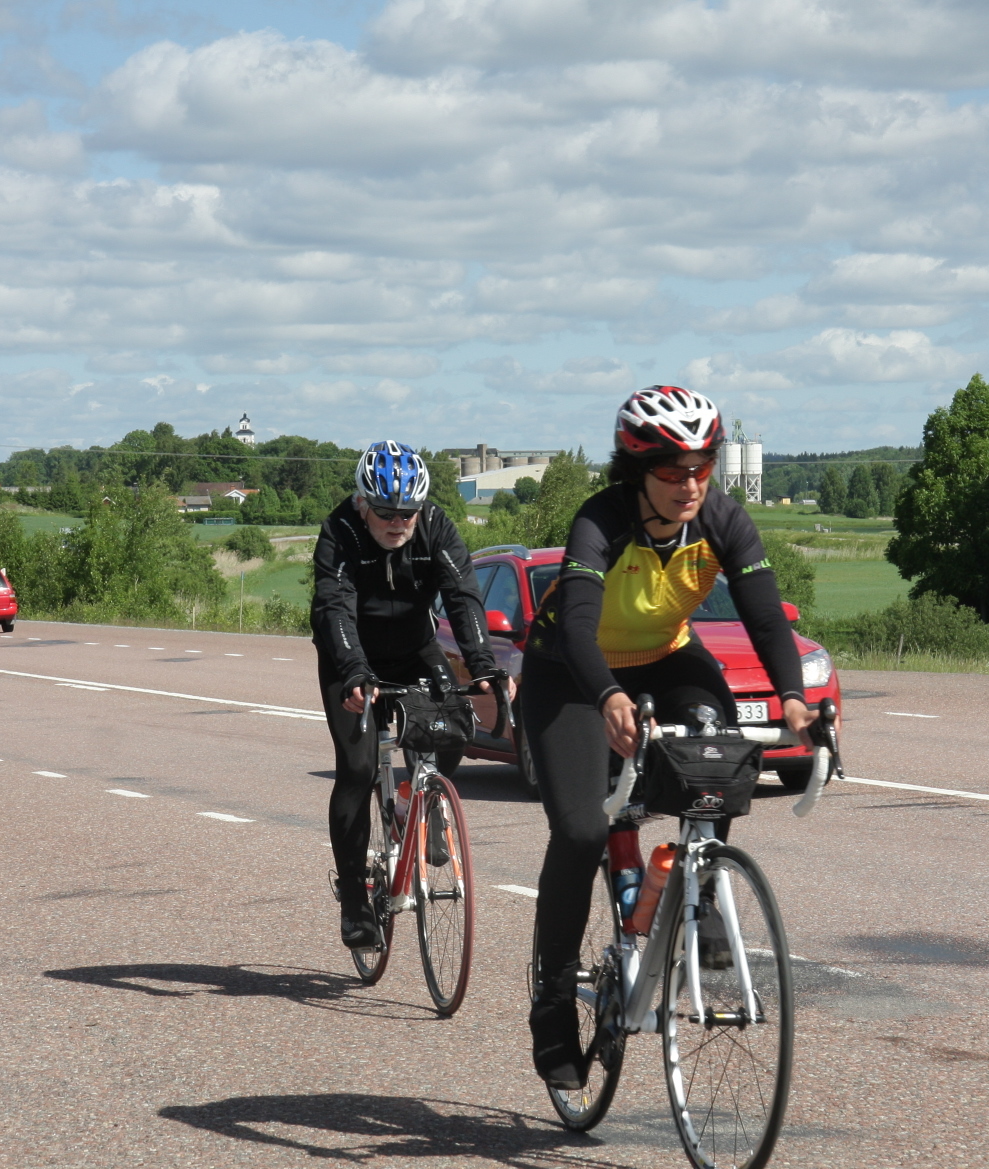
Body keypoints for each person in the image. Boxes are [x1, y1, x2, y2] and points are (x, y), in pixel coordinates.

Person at [517, 386, 820, 1089]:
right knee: (582, 830)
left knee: (717, 764)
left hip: (666, 657)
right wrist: (609, 697)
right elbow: (581, 625)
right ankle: (553, 999)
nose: (690, 485)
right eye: (672, 470)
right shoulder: (601, 519)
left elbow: (765, 617)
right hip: (573, 670)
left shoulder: (722, 519)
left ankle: (701, 916)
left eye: (702, 468)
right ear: (636, 470)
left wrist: (794, 698)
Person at [311, 439, 509, 949]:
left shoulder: (437, 526)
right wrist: (354, 673)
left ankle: (414, 800)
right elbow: (334, 606)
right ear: (362, 503)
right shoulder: (340, 530)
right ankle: (354, 900)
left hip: (414, 649)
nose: (398, 523)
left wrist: (483, 666)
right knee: (357, 769)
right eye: (386, 512)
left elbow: (462, 596)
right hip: (349, 658)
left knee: (452, 728)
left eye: (408, 513)